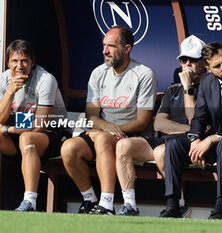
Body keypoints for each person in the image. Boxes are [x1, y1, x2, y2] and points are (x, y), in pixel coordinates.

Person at [60, 26, 157, 215]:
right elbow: (91, 115)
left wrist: (110, 131)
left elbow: (143, 121)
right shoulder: (98, 73)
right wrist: (104, 126)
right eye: (104, 45)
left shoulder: (144, 74)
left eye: (111, 46)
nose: (105, 51)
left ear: (127, 48)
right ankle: (90, 199)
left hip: (130, 136)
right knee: (69, 149)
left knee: (103, 139)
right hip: (101, 132)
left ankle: (106, 204)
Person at [0, 39, 71, 211]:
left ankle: (30, 201)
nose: (19, 66)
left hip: (54, 133)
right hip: (21, 132)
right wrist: (10, 92)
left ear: (32, 63)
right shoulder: (2, 80)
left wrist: (7, 129)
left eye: (24, 61)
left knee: (27, 137)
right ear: (8, 62)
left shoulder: (46, 80)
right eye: (14, 61)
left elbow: (40, 126)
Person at [115, 35, 206, 216]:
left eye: (193, 60)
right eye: (183, 59)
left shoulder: (208, 87)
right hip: (168, 139)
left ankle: (178, 204)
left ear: (204, 62)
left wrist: (188, 89)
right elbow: (159, 123)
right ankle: (130, 205)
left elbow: (195, 121)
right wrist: (190, 128)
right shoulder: (173, 89)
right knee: (124, 145)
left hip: (192, 144)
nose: (187, 64)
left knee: (162, 151)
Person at [159, 42, 222, 219]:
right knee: (174, 144)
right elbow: (199, 118)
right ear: (208, 68)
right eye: (218, 66)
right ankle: (173, 206)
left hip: (218, 141)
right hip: (212, 140)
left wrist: (208, 141)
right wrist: (195, 140)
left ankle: (219, 208)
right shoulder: (208, 82)